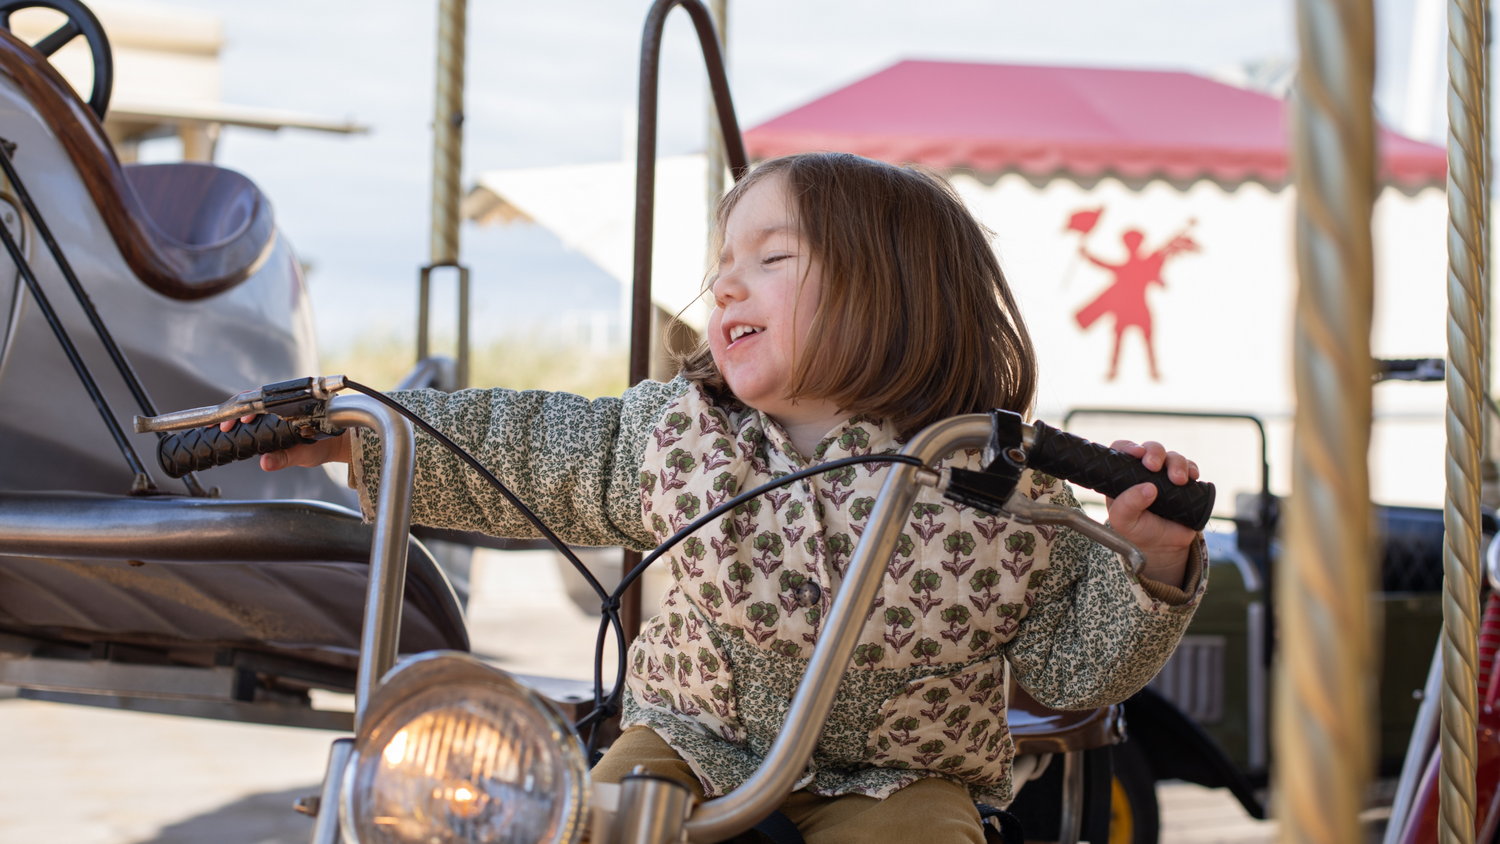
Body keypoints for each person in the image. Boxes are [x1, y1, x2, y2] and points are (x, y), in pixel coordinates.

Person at [241, 152, 1207, 844]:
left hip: (902, 773)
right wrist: (382, 434)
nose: (724, 285)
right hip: (692, 741)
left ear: (896, 293)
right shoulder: (680, 434)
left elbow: (1078, 667)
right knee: (591, 819)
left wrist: (1152, 561)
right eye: (722, 265)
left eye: (770, 260)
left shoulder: (999, 477)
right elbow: (535, 446)